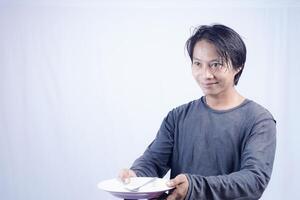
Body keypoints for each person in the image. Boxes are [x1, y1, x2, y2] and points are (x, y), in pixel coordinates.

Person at [118, 24, 276, 200]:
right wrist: (135, 176)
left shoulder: (259, 120)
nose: (205, 74)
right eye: (198, 64)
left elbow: (254, 181)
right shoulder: (177, 117)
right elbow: (153, 161)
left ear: (238, 66)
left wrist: (194, 186)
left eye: (216, 64)